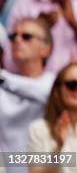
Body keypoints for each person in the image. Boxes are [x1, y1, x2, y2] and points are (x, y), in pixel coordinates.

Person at [0, 18, 54, 159]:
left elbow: (46, 93)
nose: (17, 40)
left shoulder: (54, 82)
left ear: (46, 49)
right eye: (12, 36)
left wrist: (3, 79)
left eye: (26, 36)